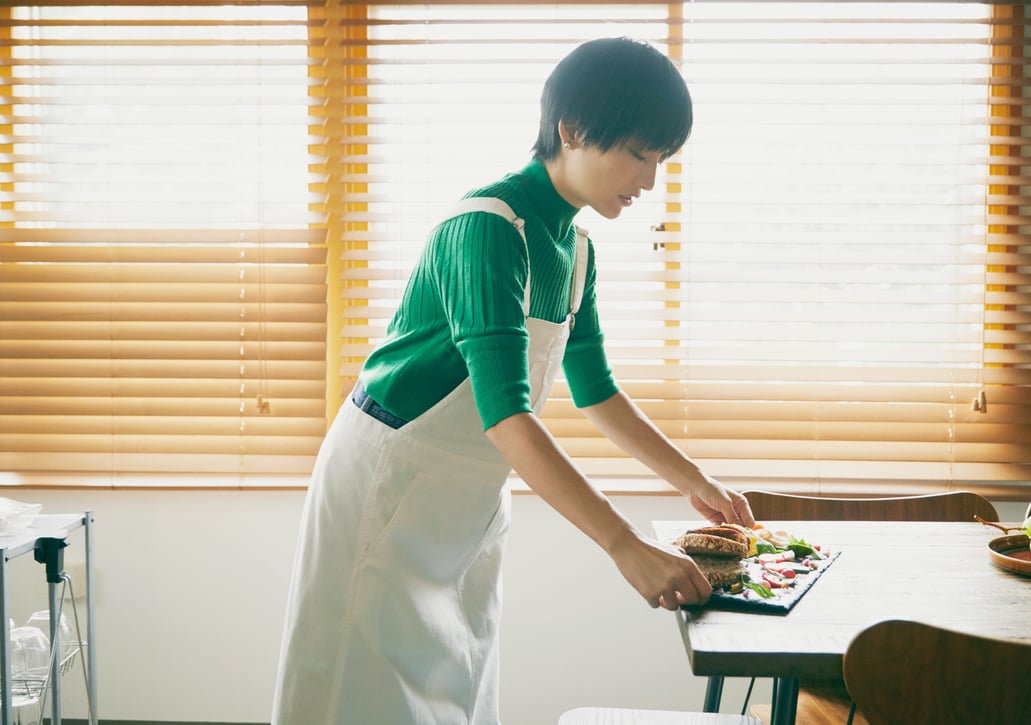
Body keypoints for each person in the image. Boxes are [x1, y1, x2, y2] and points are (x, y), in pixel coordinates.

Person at [271, 36, 755, 725]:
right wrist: (623, 545)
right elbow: (507, 416)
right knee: (360, 695)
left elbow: (599, 393)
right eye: (640, 154)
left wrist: (695, 480)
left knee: (458, 690)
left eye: (661, 160)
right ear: (573, 130)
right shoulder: (488, 227)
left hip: (464, 500)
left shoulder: (578, 249)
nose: (649, 180)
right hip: (390, 486)